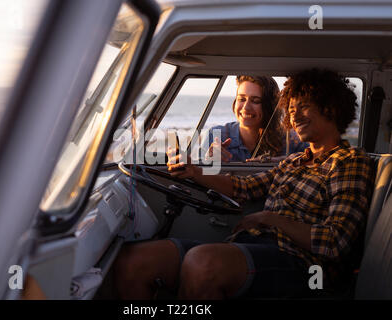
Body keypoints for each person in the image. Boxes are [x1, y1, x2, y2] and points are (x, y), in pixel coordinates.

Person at [112, 69, 374, 299]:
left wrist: (269, 218)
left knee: (203, 264)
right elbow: (244, 187)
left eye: (303, 107)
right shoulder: (294, 162)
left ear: (331, 108)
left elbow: (335, 243)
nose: (295, 116)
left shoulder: (349, 162)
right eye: (291, 110)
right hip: (255, 245)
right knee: (134, 261)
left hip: (305, 265)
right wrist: (194, 172)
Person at [205, 75, 307, 162]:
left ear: (270, 106)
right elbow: (198, 176)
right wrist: (208, 161)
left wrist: (289, 161)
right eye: (241, 99)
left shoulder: (292, 141)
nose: (246, 107)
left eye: (255, 101)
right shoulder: (216, 135)